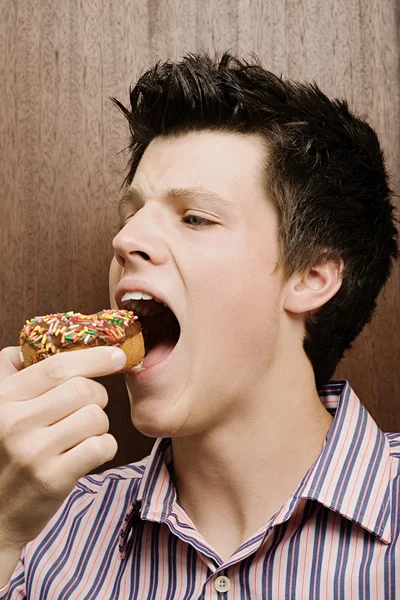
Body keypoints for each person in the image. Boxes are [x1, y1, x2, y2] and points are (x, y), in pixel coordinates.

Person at [0, 51, 399, 599]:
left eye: (194, 217)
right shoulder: (41, 537)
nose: (124, 240)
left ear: (310, 276)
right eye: (130, 215)